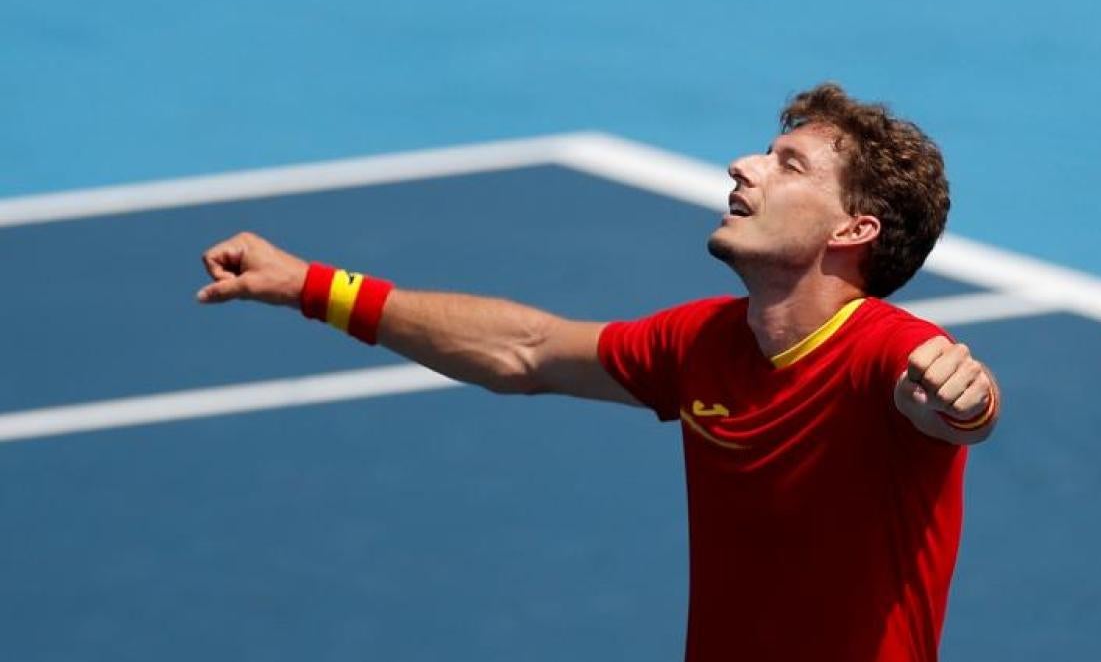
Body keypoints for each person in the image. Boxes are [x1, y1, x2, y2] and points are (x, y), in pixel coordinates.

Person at [197, 82, 1000, 662]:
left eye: (786, 165)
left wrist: (964, 401)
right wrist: (312, 287)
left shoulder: (888, 354)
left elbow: (957, 407)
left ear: (853, 228)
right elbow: (527, 350)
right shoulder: (702, 342)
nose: (742, 167)